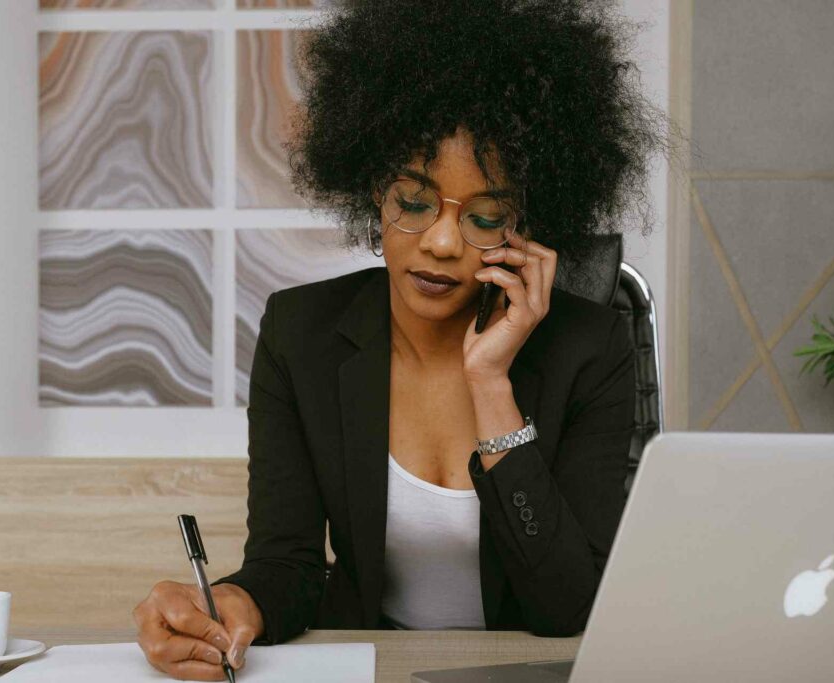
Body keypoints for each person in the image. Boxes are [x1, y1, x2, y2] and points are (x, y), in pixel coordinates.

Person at [133, 0, 667, 679]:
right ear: (371, 192)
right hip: (373, 665)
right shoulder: (303, 336)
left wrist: (491, 385)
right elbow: (287, 565)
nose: (442, 242)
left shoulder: (589, 347)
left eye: (485, 215)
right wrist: (233, 600)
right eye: (414, 202)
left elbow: (567, 606)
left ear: (526, 223)